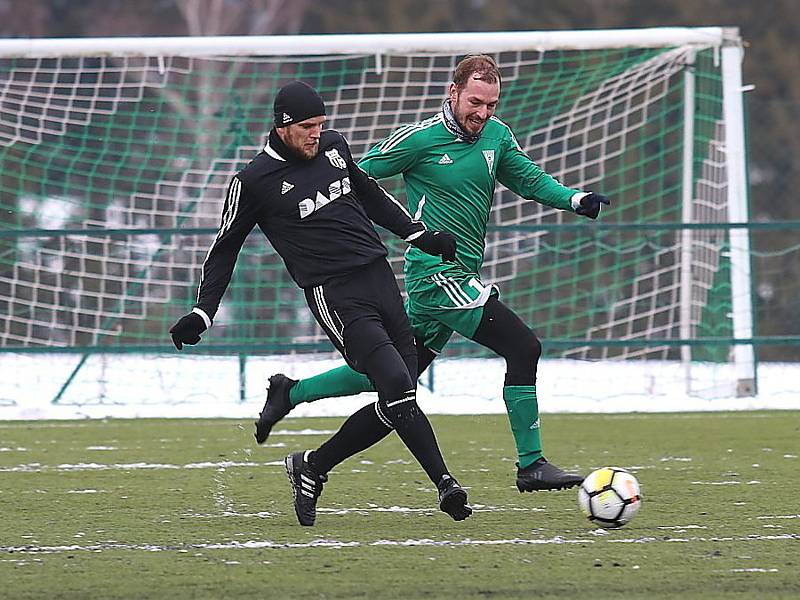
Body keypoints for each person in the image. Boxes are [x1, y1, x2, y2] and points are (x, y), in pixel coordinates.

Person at [255, 56, 611, 493]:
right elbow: (352, 175)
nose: (482, 113)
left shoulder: (497, 137)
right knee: (523, 346)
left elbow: (529, 179)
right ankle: (531, 463)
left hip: (462, 273)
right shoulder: (419, 139)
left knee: (391, 387)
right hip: (434, 275)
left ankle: (294, 407)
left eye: (491, 105)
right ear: (454, 92)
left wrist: (574, 199)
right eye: (475, 102)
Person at [169, 81, 472, 526]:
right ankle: (446, 484)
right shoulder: (252, 182)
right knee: (396, 383)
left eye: (321, 124)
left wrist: (419, 234)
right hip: (336, 295)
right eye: (308, 126)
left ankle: (311, 464)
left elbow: (371, 195)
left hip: (380, 278)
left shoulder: (334, 147)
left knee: (397, 395)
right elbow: (225, 247)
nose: (317, 133)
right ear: (283, 126)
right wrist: (203, 312)